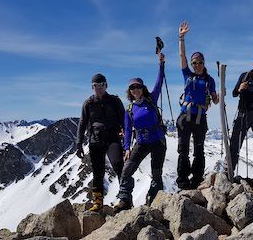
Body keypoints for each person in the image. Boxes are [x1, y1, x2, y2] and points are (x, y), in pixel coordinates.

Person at [113, 52, 167, 212]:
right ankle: (125, 200)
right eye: (132, 87)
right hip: (142, 142)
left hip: (158, 140)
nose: (135, 89)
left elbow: (159, 82)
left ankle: (153, 201)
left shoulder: (152, 100)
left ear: (143, 88)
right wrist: (127, 148)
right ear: (129, 91)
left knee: (156, 173)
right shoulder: (129, 109)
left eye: (138, 86)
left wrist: (162, 64)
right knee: (126, 171)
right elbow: (128, 130)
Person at [176, 21, 219, 189]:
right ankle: (183, 180)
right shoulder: (187, 75)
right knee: (183, 149)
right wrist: (181, 38)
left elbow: (214, 99)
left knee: (199, 148)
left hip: (200, 116)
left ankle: (197, 179)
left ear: (203, 62)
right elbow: (182, 57)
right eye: (194, 62)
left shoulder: (210, 80)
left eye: (199, 62)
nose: (196, 65)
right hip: (185, 115)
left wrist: (217, 99)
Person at [76, 73, 125, 212]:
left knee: (118, 165)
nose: (98, 88)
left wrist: (127, 138)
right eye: (95, 86)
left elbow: (123, 120)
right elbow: (82, 123)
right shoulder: (88, 103)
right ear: (92, 87)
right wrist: (79, 143)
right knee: (98, 172)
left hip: (112, 138)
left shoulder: (115, 101)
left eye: (101, 85)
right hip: (95, 141)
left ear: (106, 85)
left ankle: (125, 199)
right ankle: (98, 203)